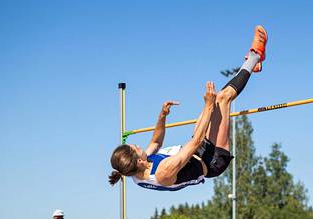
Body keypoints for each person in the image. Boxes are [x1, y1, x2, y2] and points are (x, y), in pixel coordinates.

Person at [109, 26, 268, 191]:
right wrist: (207, 106)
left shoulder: (137, 167)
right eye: (136, 148)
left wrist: (162, 116)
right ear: (139, 161)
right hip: (211, 160)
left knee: (217, 100)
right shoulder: (163, 172)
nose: (138, 146)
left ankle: (252, 64)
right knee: (222, 98)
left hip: (196, 150)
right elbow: (196, 142)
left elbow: (156, 142)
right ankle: (255, 56)